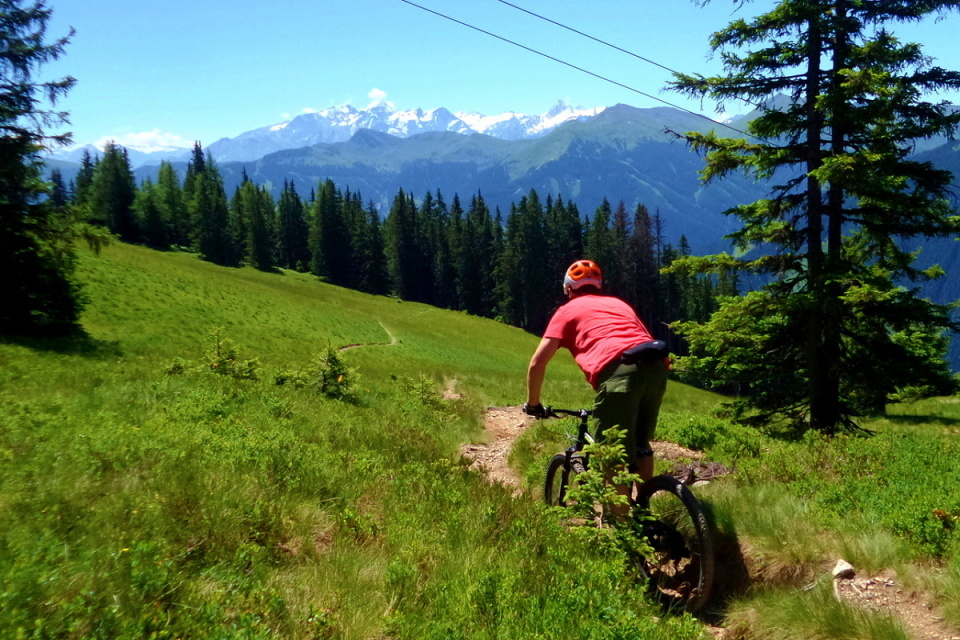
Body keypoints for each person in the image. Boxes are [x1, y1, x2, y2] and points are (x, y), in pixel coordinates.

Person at [523, 259, 668, 492]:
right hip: (656, 368)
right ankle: (644, 512)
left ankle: (619, 523)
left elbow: (537, 363)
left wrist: (533, 404)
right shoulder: (619, 304)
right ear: (598, 286)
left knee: (613, 455)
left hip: (620, 372)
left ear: (569, 289)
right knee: (641, 445)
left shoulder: (566, 311)